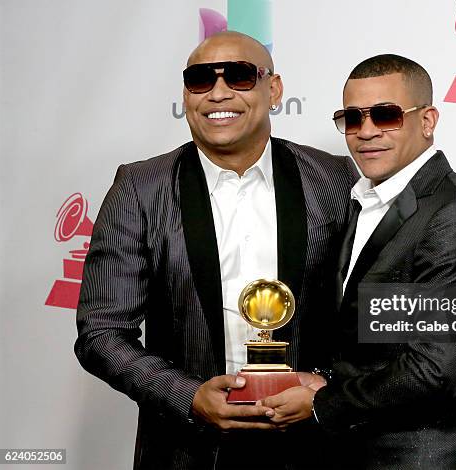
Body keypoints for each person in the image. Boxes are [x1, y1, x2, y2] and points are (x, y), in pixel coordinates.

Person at [74, 31, 357, 470]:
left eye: (241, 76)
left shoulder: (334, 180)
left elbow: (362, 314)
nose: (218, 92)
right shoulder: (139, 189)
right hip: (186, 451)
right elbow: (101, 333)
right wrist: (188, 396)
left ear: (274, 89)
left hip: (311, 448)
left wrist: (327, 386)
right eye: (200, 80)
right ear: (186, 95)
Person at [262, 54, 456, 469]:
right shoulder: (364, 201)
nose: (367, 132)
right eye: (353, 119)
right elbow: (364, 340)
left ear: (427, 120)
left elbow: (434, 369)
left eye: (386, 115)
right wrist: (324, 379)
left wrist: (324, 402)